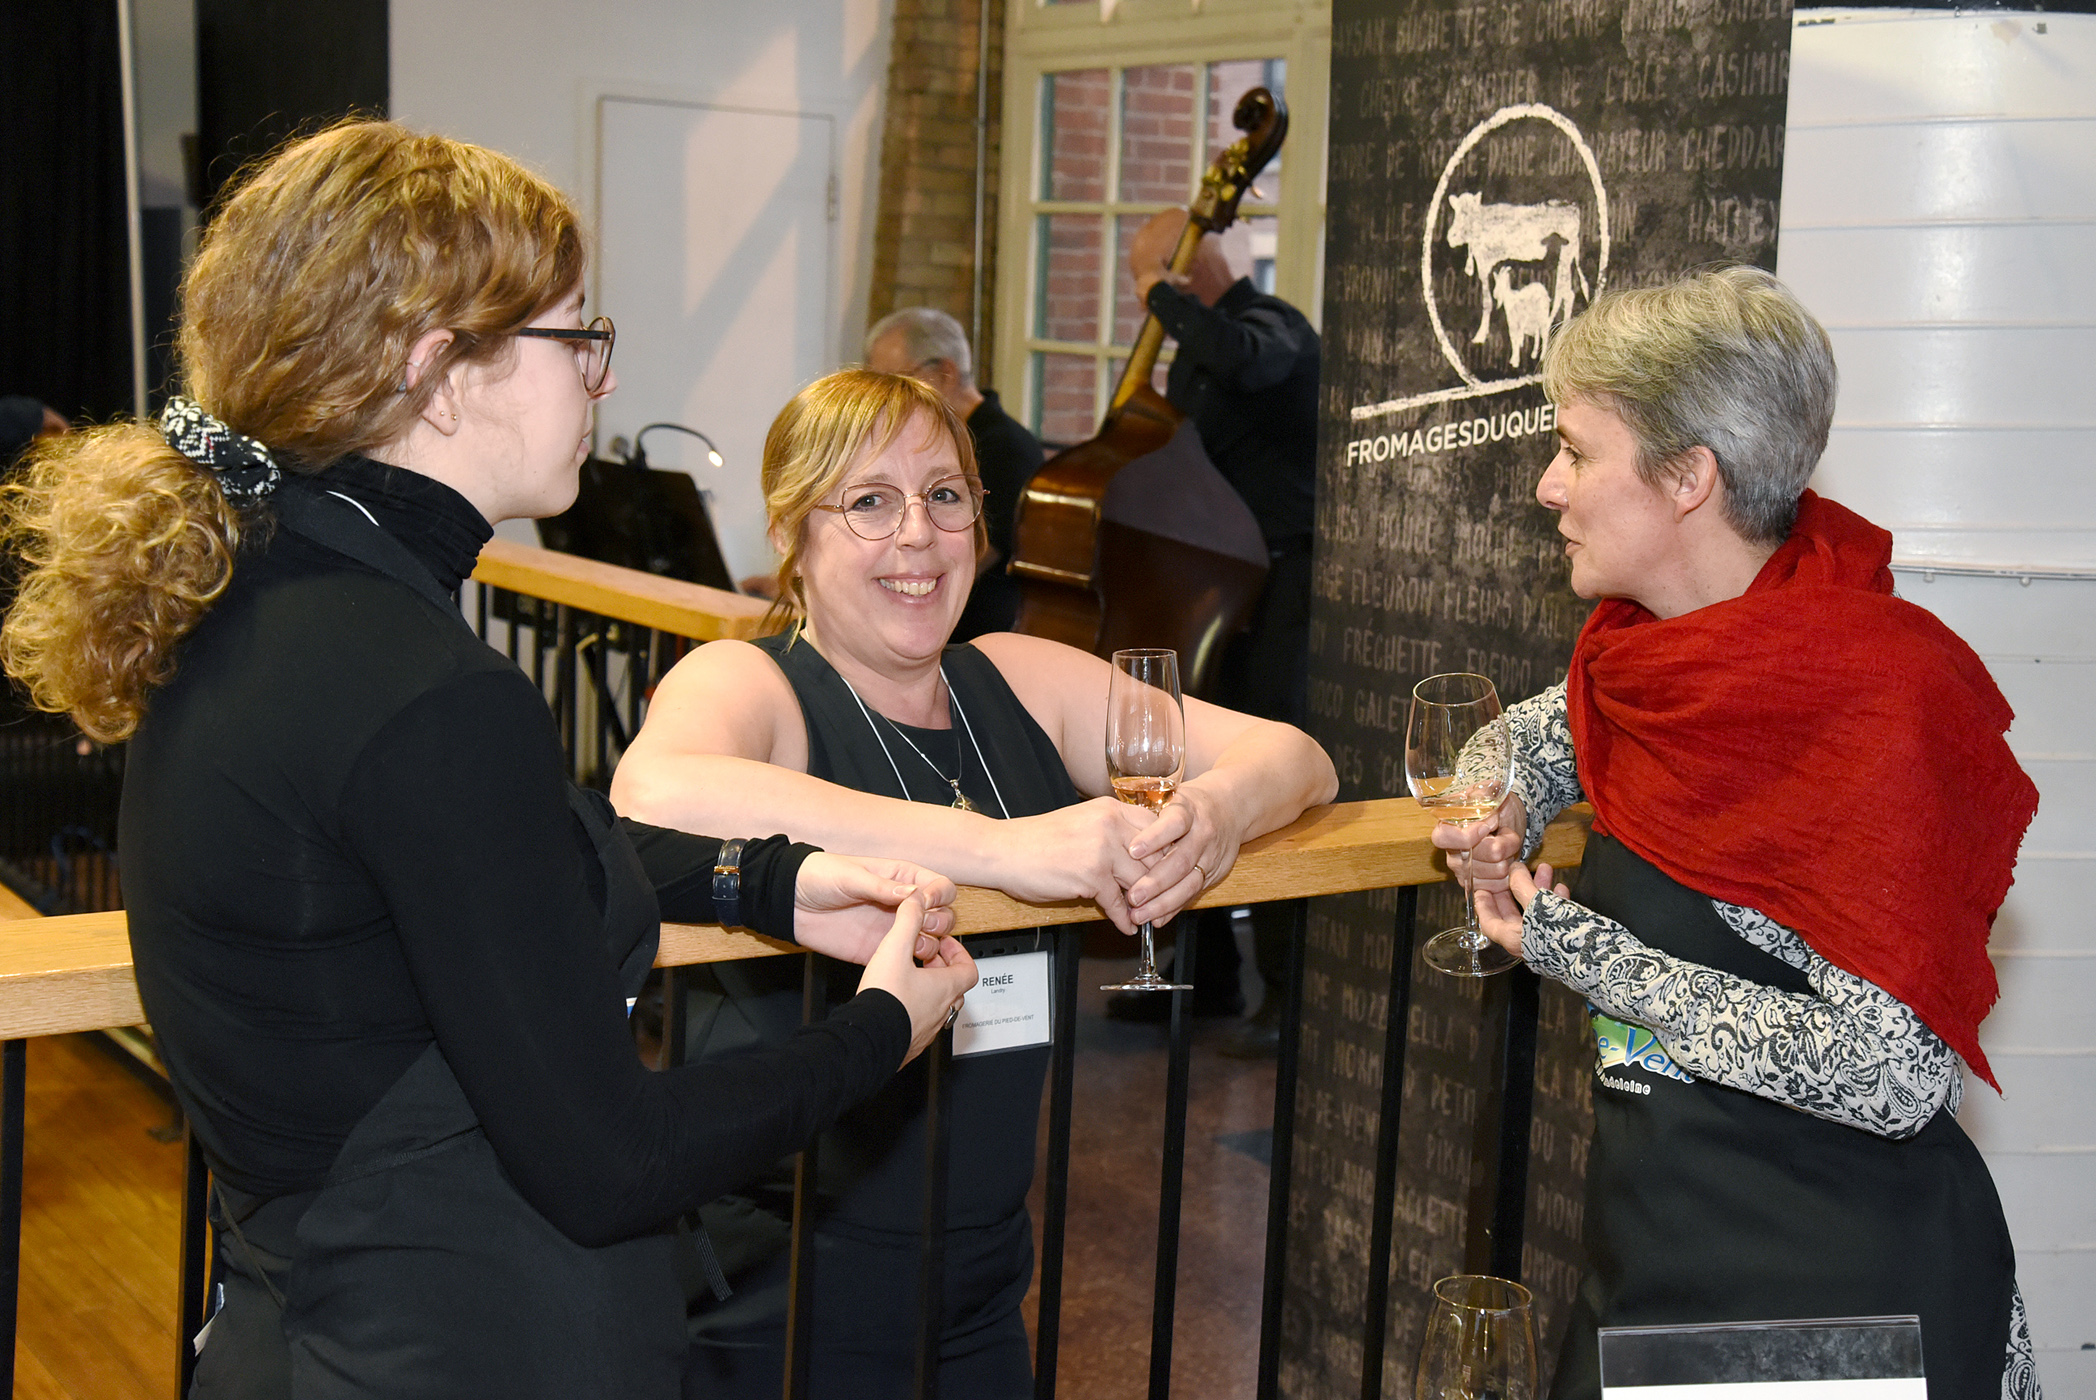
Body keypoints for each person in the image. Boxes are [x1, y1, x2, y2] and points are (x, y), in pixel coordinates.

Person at [0, 121, 980, 1400]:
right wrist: (880, 1026)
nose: (601, 381)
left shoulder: (246, 600)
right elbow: (612, 1159)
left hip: (298, 1333)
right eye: (579, 338)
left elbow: (461, 880)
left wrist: (760, 882)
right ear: (441, 372)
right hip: (467, 1347)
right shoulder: (422, 691)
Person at [610, 368, 1335, 1397]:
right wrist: (1006, 849)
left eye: (944, 495)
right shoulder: (751, 682)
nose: (917, 535)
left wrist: (1213, 813)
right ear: (790, 533)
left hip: (984, 1274)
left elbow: (1299, 757)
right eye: (870, 501)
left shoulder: (1020, 678)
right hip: (782, 1283)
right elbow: (654, 789)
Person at [1437, 267, 2041, 1399]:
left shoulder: (1879, 701)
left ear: (1687, 478)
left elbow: (1892, 1074)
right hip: (1658, 1258)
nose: (1546, 485)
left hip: (1837, 1313)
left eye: (1575, 451)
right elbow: (1517, 737)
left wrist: (1590, 956)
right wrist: (1492, 800)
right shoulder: (1651, 662)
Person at [1111, 208, 1321, 1049]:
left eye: (1157, 275)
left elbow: (1245, 360)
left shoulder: (1271, 325)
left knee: (1265, 783)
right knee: (1192, 774)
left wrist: (1160, 294)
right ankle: (1207, 980)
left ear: (1190, 264)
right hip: (1218, 590)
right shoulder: (1203, 348)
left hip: (1281, 589)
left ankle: (1286, 996)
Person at [863, 307, 1042, 641]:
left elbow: (968, 558)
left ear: (944, 373)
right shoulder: (930, 442)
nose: (884, 399)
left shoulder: (1005, 448)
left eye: (897, 382)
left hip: (974, 639)